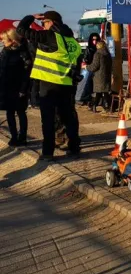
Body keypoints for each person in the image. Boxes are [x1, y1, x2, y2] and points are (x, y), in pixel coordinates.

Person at [17, 11, 81, 161]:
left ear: (51, 22)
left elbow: (21, 30)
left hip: (49, 85)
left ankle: (47, 153)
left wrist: (31, 17)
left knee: (48, 120)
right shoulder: (73, 41)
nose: (42, 26)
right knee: (69, 118)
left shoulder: (50, 36)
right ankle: (74, 148)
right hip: (67, 85)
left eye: (44, 22)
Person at [0, 29, 32, 146]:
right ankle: (14, 137)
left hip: (19, 88)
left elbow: (27, 72)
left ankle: (22, 137)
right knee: (9, 113)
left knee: (21, 112)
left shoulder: (23, 52)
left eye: (4, 39)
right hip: (6, 87)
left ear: (12, 40)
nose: (3, 42)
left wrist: (23, 89)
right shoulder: (4, 51)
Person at [87, 40, 112, 112]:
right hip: (106, 75)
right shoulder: (108, 54)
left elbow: (95, 66)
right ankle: (107, 107)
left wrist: (86, 67)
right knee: (105, 92)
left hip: (98, 76)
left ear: (98, 46)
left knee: (97, 92)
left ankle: (94, 106)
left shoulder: (98, 54)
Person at [79, 33, 100, 107]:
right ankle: (86, 99)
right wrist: (86, 65)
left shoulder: (99, 49)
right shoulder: (89, 48)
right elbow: (85, 58)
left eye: (96, 39)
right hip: (89, 68)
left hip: (97, 69)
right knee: (87, 84)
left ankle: (90, 99)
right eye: (93, 39)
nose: (95, 41)